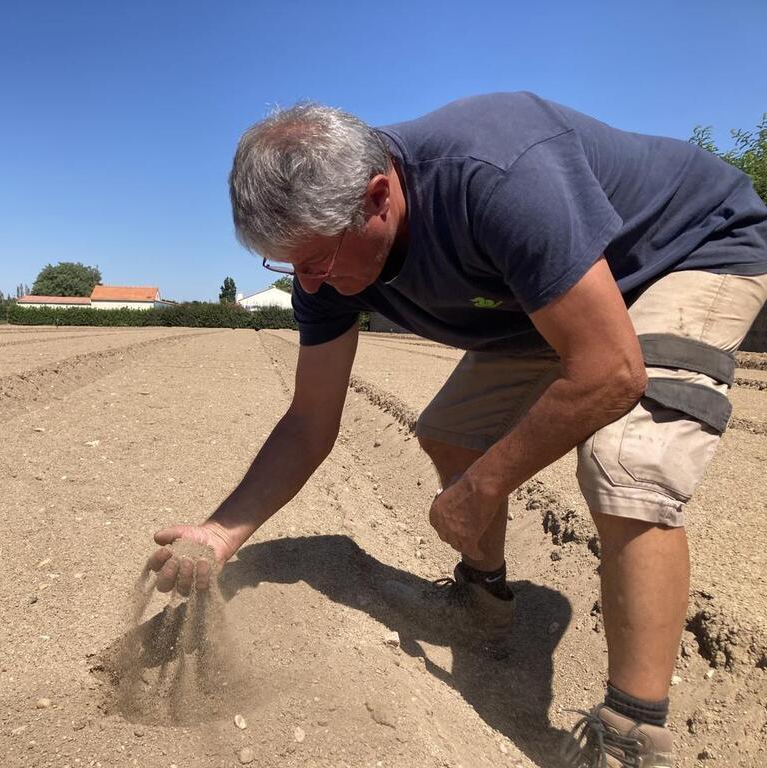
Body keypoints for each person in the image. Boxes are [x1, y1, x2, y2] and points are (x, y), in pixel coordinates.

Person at [146, 92, 767, 767]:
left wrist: (481, 489)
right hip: (554, 290)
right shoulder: (326, 261)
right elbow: (309, 420)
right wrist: (220, 531)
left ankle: (630, 735)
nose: (310, 284)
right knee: (452, 430)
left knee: (628, 463)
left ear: (379, 196)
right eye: (288, 265)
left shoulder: (495, 174)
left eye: (318, 261)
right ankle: (484, 602)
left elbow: (611, 371)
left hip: (686, 252)